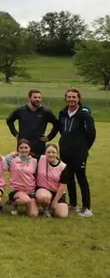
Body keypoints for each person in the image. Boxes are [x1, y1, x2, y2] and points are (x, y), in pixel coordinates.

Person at [50, 88, 95, 217]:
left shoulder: (84, 114)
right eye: (69, 97)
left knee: (81, 178)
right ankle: (73, 204)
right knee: (68, 178)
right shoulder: (63, 113)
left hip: (79, 153)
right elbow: (59, 128)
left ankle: (86, 208)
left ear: (79, 99)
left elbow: (91, 134)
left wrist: (84, 148)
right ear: (66, 99)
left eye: (74, 97)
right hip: (65, 151)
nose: (71, 99)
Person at [5, 89, 59, 158]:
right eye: (35, 97)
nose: (37, 99)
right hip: (23, 145)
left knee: (38, 166)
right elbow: (9, 121)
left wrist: (49, 137)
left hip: (38, 146)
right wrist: (15, 133)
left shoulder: (46, 112)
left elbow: (57, 124)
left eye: (39, 97)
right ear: (29, 99)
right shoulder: (21, 111)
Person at [5, 140, 39, 218]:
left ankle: (27, 203)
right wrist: (11, 154)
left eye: (26, 147)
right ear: (18, 149)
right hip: (17, 190)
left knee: (33, 214)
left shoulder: (34, 161)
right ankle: (14, 204)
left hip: (30, 191)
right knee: (26, 200)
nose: (24, 150)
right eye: (21, 148)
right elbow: (3, 160)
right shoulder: (12, 160)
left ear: (30, 148)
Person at [35, 143, 69, 218]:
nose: (51, 155)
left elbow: (62, 186)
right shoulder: (40, 159)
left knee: (62, 215)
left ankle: (51, 207)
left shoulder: (63, 167)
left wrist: (55, 201)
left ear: (57, 154)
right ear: (45, 153)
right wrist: (14, 154)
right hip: (43, 189)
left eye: (53, 152)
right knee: (43, 197)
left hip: (57, 192)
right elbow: (27, 155)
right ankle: (45, 208)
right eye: (48, 152)